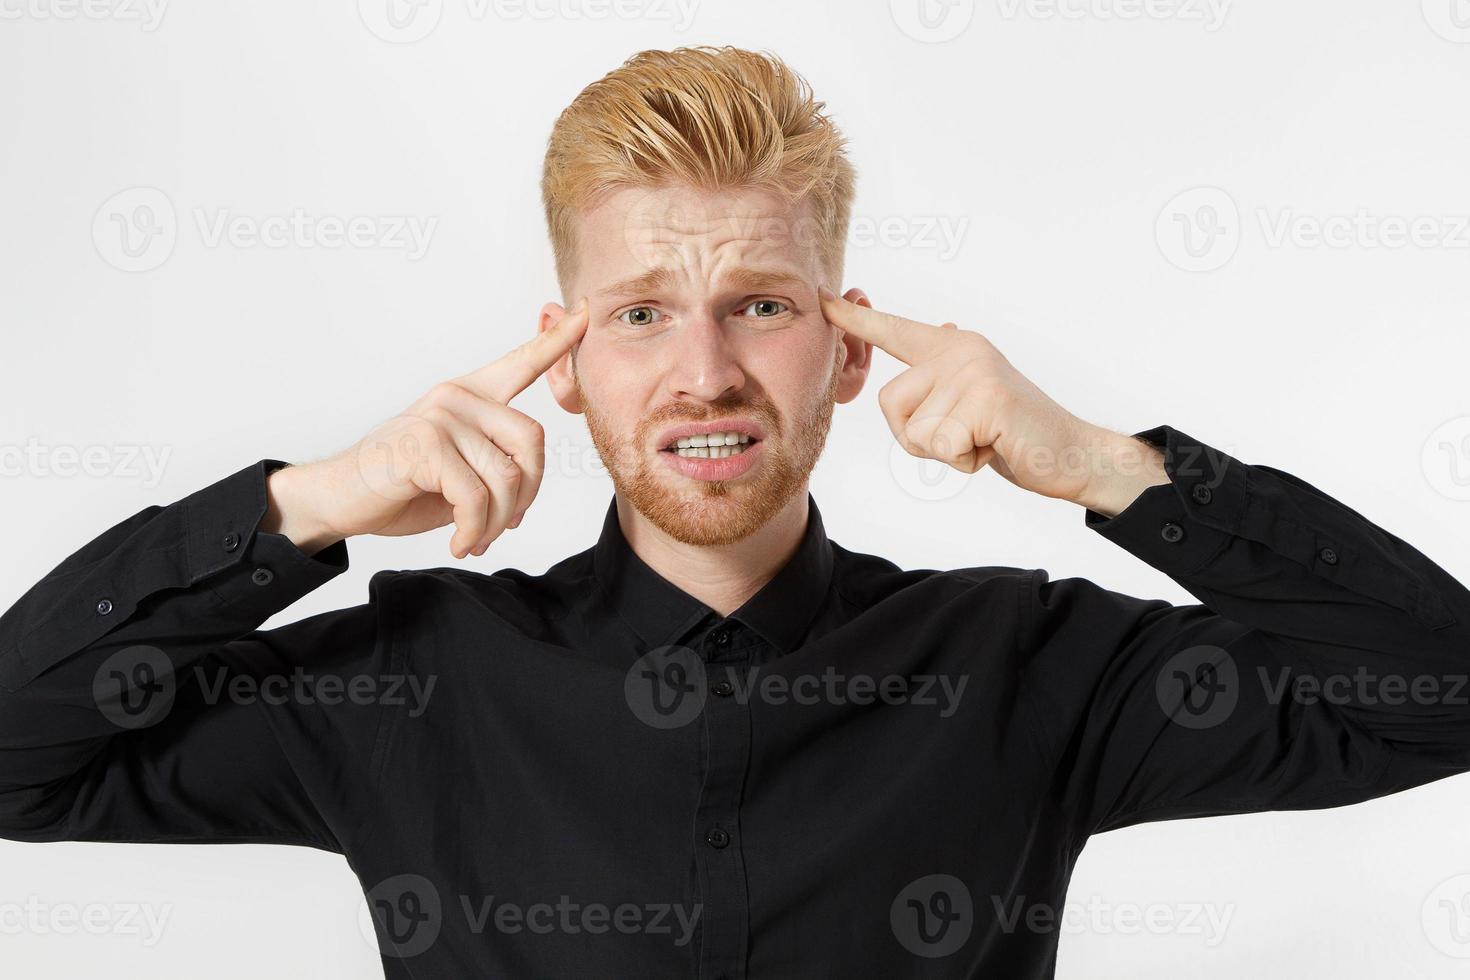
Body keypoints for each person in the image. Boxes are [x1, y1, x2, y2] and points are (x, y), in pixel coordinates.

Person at [2, 45, 1467, 980]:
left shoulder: (1023, 666)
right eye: (640, 312)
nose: (703, 374)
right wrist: (303, 506)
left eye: (758, 305)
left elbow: (1439, 696)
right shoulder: (408, 682)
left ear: (842, 346)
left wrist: (1105, 466)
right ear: (566, 359)